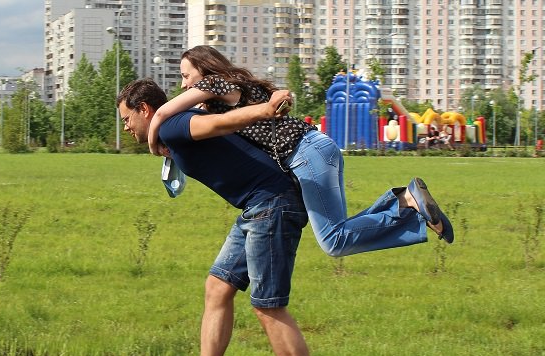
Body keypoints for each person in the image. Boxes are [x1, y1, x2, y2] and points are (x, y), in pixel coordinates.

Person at [118, 78, 335, 356]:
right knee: (218, 287)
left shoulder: (176, 123)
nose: (126, 127)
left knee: (268, 307)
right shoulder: (172, 129)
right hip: (257, 206)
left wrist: (264, 109)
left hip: (272, 204)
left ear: (144, 110)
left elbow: (221, 122)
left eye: (127, 119)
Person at [147, 45, 453, 259]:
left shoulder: (218, 83)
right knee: (338, 232)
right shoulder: (237, 87)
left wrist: (152, 142)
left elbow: (162, 114)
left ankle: (408, 205)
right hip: (317, 147)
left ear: (205, 69)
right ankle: (402, 202)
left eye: (187, 76)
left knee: (334, 241)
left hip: (305, 154)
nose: (184, 84)